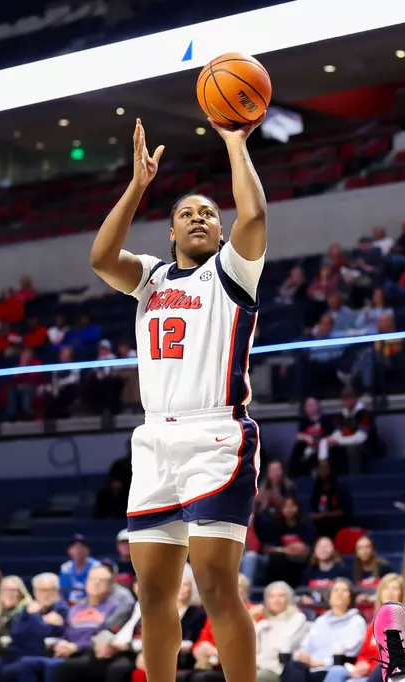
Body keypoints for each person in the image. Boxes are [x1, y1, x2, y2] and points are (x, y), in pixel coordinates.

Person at [88, 116, 267, 682]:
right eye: (186, 213)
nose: (198, 218)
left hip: (216, 434)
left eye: (208, 214)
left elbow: (256, 214)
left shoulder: (232, 272)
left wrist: (236, 145)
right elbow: (99, 258)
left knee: (215, 585)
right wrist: (138, 185)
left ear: (220, 233)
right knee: (153, 593)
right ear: (169, 232)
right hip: (154, 439)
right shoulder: (151, 277)